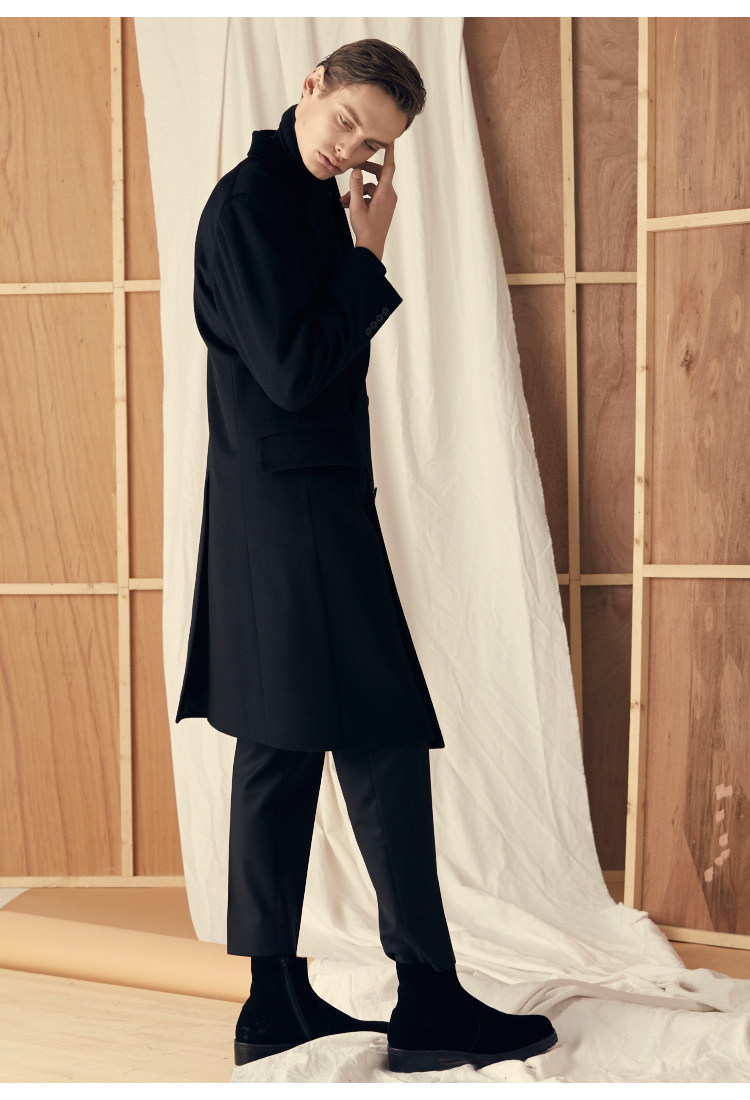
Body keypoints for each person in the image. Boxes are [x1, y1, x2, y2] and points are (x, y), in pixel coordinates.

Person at [175, 38, 558, 1074]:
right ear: (310, 87)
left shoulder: (304, 201)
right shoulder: (251, 205)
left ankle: (278, 999)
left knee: (284, 747)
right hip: (293, 515)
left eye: (371, 145)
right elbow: (296, 371)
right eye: (345, 121)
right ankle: (419, 997)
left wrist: (351, 240)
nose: (349, 149)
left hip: (292, 508)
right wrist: (368, 253)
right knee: (371, 735)